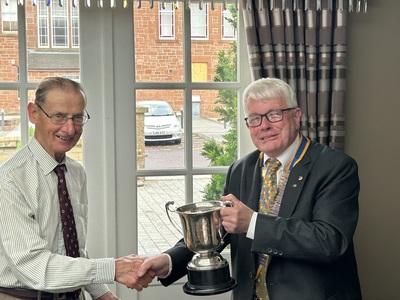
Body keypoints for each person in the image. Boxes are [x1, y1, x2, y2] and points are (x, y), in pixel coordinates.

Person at [137, 77, 362, 299]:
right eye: (255, 118)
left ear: (296, 116)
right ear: (247, 125)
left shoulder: (335, 167)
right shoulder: (240, 168)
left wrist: (252, 223)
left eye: (274, 115)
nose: (264, 125)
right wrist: (168, 261)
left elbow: (330, 241)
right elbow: (219, 229)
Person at [0, 77, 153, 300]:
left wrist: (102, 294)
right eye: (59, 116)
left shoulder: (75, 172)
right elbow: (33, 266)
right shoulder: (9, 180)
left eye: (78, 117)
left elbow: (72, 248)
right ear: (33, 113)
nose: (70, 128)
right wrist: (114, 268)